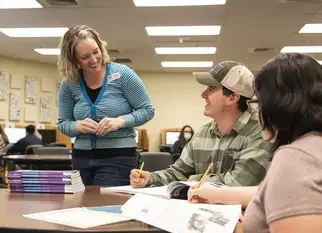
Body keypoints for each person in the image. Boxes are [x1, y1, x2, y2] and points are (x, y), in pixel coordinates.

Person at [188, 53, 322, 233]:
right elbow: (273, 192)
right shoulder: (314, 145)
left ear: (279, 106)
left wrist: (242, 229)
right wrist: (212, 193)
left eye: (258, 102)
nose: (255, 112)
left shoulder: (295, 156)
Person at [130, 61, 271, 188]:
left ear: (232, 97)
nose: (203, 94)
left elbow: (238, 184)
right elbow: (178, 173)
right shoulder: (203, 133)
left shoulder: (260, 132)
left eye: (211, 89)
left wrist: (191, 180)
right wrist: (150, 178)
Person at [57, 25, 155, 186]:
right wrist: (77, 126)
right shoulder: (69, 84)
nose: (94, 60)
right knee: (81, 207)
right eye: (85, 57)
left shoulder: (123, 74)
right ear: (74, 60)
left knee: (106, 205)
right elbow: (63, 123)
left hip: (119, 156)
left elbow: (147, 110)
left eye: (96, 52)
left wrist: (120, 121)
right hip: (81, 157)